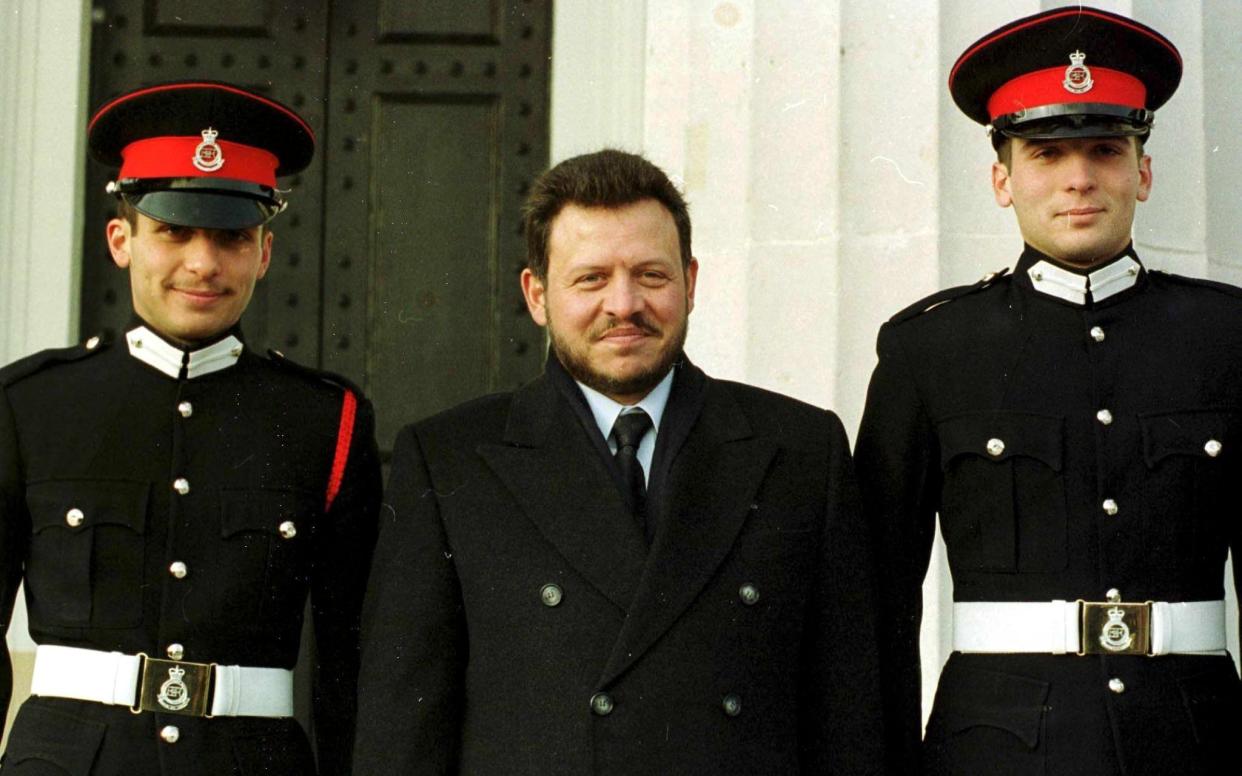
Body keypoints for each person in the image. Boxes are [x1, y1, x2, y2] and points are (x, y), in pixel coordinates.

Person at [354, 149, 885, 775]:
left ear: (691, 282)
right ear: (536, 294)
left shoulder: (801, 449)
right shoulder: (449, 462)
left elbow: (850, 723)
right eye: (591, 278)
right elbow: (402, 734)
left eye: (651, 276)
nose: (624, 304)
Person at [855, 6, 1241, 776]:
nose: (1078, 178)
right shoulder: (930, 348)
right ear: (1002, 179)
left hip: (1196, 745)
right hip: (995, 750)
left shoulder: (1226, 338)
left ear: (1144, 170)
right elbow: (876, 602)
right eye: (1046, 153)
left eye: (1105, 149)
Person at [0, 81, 381, 775]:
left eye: (232, 237)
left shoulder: (326, 421)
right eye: (173, 232)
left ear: (264, 253)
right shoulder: (31, 405)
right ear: (122, 240)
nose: (203, 264)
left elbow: (349, 659)